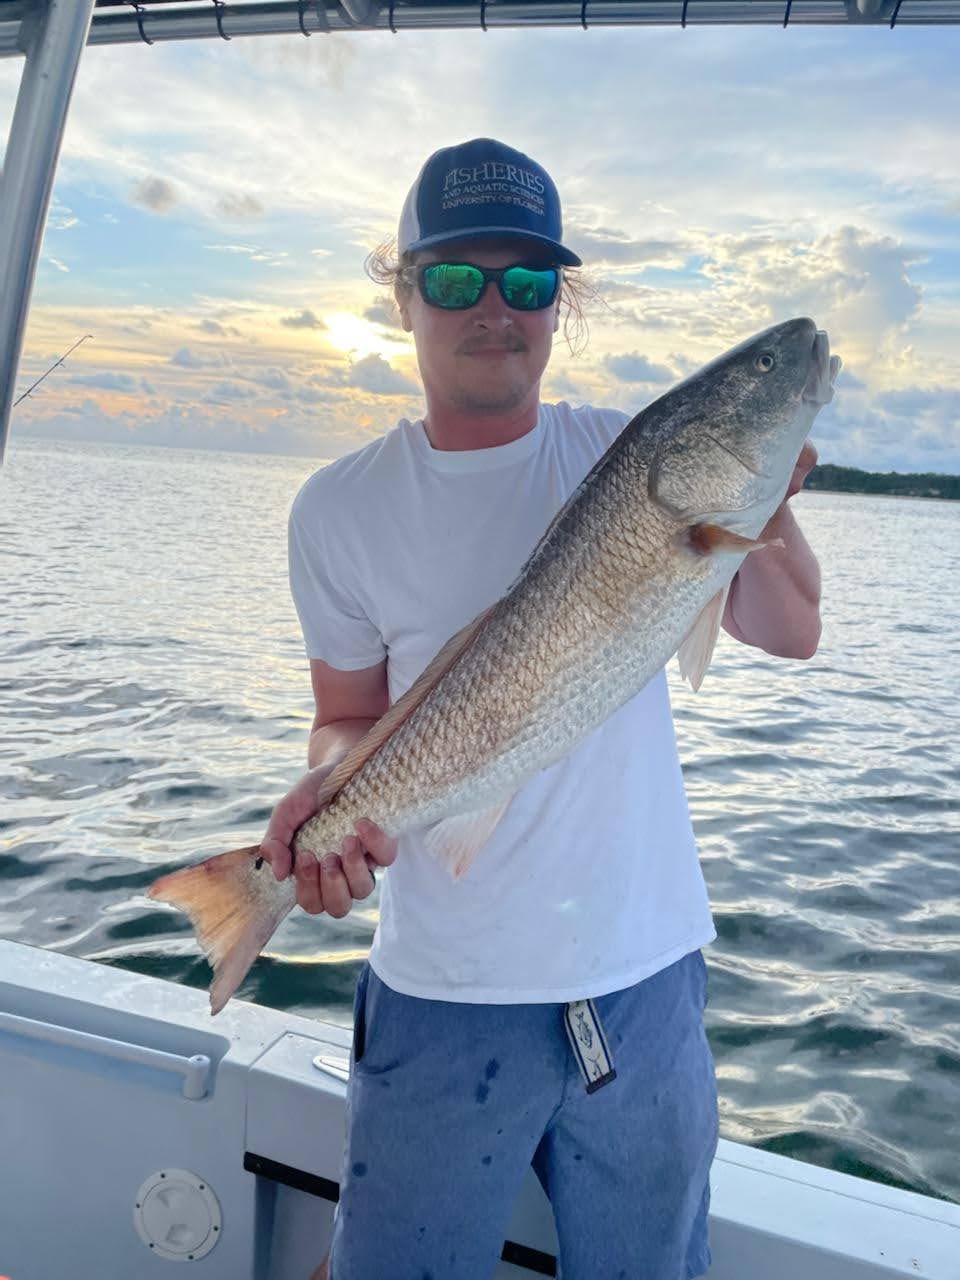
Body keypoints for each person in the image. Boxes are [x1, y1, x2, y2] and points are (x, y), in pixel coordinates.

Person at [259, 137, 822, 1280]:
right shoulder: (338, 508)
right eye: (459, 278)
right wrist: (331, 789)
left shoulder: (625, 449)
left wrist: (763, 492)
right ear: (404, 292)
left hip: (648, 975)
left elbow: (792, 628)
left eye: (528, 283)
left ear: (559, 306)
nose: (495, 309)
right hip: (443, 994)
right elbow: (346, 714)